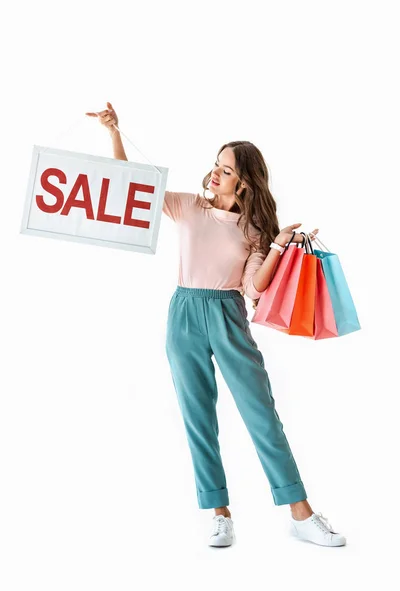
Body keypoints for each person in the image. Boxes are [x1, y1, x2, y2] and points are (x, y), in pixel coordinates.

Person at [86, 102, 347, 548]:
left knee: (261, 415)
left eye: (224, 170)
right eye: (215, 165)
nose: (214, 174)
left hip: (228, 313)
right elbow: (131, 184)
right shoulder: (188, 207)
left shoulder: (253, 229)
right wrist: (115, 132)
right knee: (197, 416)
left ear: (243, 181)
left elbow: (254, 288)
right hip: (184, 311)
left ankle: (300, 513)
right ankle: (219, 511)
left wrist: (280, 245)